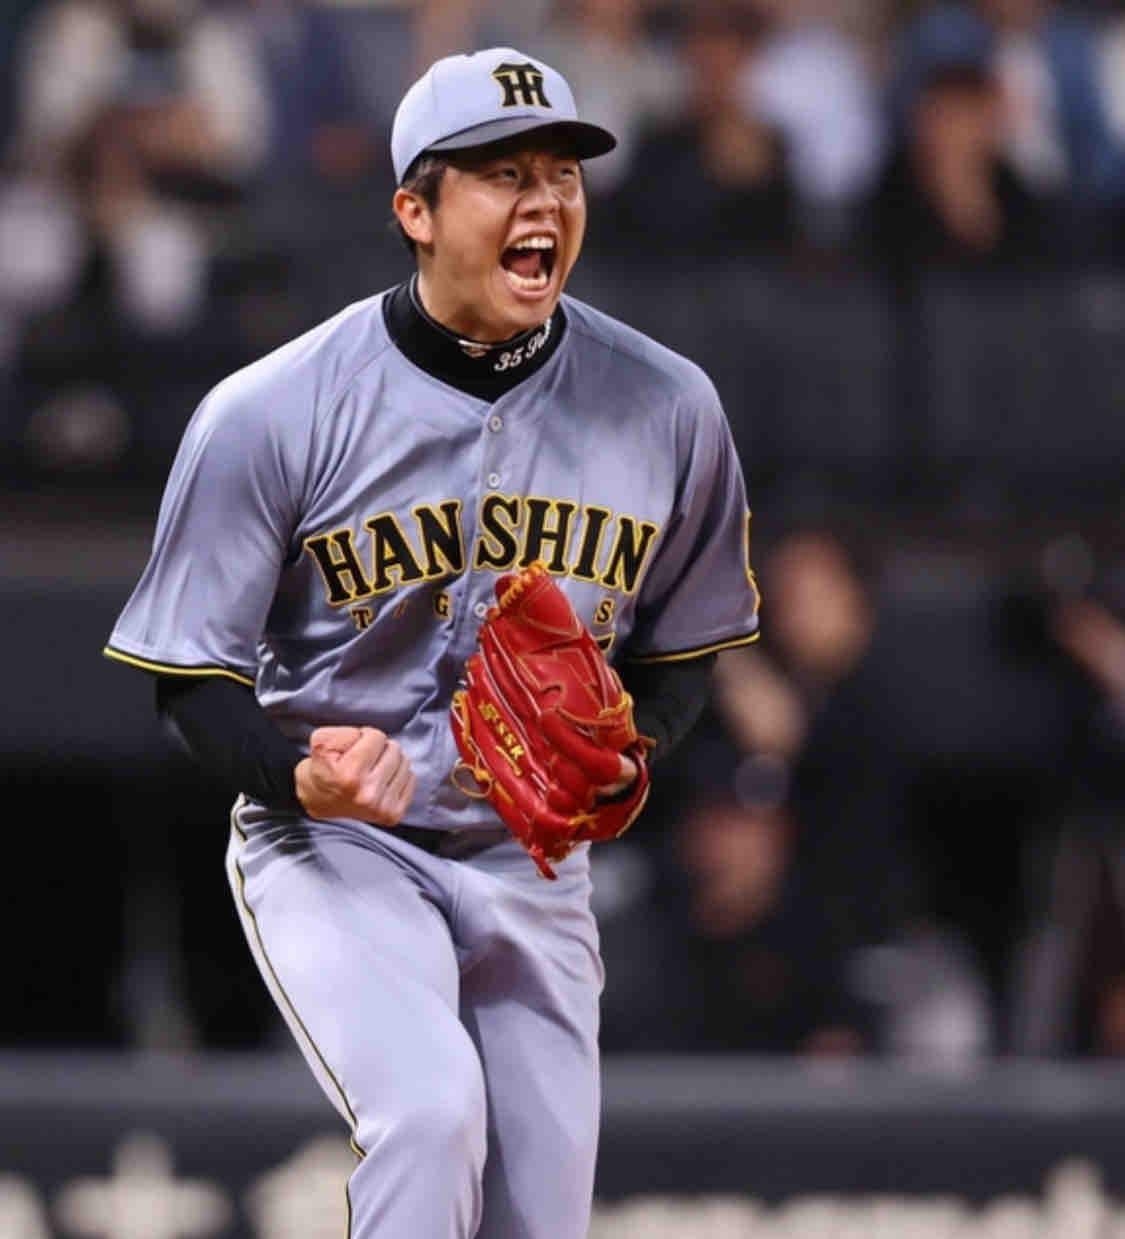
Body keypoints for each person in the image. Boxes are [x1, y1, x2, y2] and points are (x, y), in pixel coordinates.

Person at [103, 47, 759, 1239]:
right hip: (338, 846)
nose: (544, 202)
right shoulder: (274, 410)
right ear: (415, 209)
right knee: (428, 1112)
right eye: (504, 175)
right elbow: (189, 677)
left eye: (562, 175)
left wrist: (636, 747)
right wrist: (297, 775)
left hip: (531, 861)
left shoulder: (668, 407)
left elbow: (683, 644)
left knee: (538, 1216)